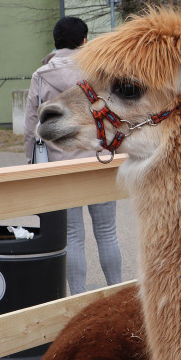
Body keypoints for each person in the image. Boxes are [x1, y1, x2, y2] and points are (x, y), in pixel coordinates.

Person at [24, 16, 123, 294]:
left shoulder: (41, 77)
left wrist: (30, 165)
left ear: (55, 44)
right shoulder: (99, 73)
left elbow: (31, 127)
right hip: (100, 162)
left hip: (61, 169)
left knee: (73, 237)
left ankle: (78, 298)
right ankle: (117, 293)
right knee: (107, 233)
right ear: (84, 40)